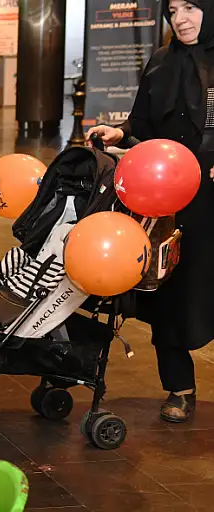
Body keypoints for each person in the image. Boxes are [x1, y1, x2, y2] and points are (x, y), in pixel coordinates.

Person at [88, 0, 214, 423]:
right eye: (173, 9)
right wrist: (119, 131)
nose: (181, 18)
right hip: (171, 202)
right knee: (171, 293)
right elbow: (142, 122)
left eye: (192, 7)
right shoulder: (161, 61)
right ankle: (180, 388)